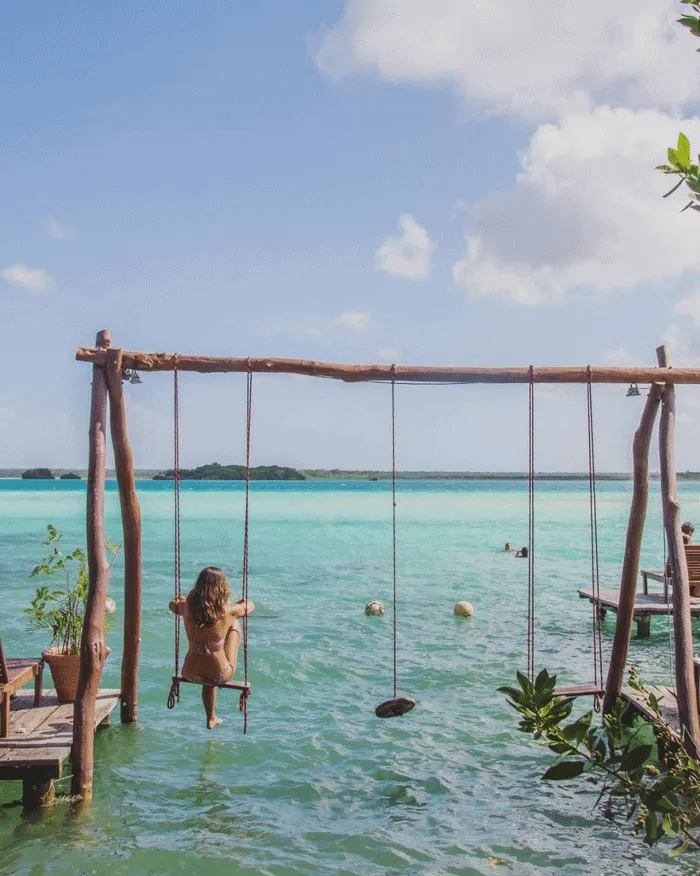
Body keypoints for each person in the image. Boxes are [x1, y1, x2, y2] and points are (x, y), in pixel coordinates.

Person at [169, 566, 255, 729]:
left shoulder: (186, 607)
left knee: (207, 672)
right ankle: (211, 718)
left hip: (189, 672)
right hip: (219, 674)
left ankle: (211, 717)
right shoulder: (228, 611)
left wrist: (181, 599)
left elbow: (172, 605)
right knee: (234, 624)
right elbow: (250, 606)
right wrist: (241, 602)